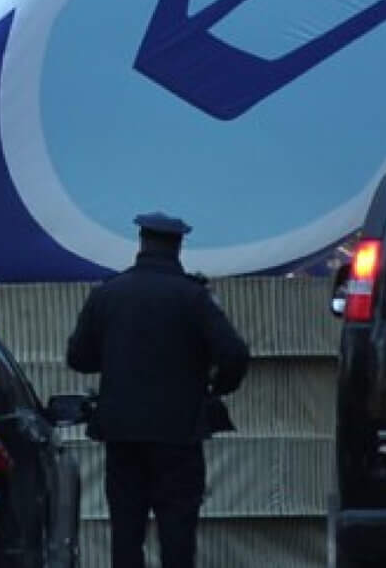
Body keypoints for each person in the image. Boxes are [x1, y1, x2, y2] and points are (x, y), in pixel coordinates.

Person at [66, 212, 251, 568]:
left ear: (141, 243)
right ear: (178, 246)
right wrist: (217, 388)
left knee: (126, 530)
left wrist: (118, 362)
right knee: (178, 531)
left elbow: (78, 357)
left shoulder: (109, 293)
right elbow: (235, 353)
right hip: (179, 434)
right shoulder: (194, 297)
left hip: (122, 433)